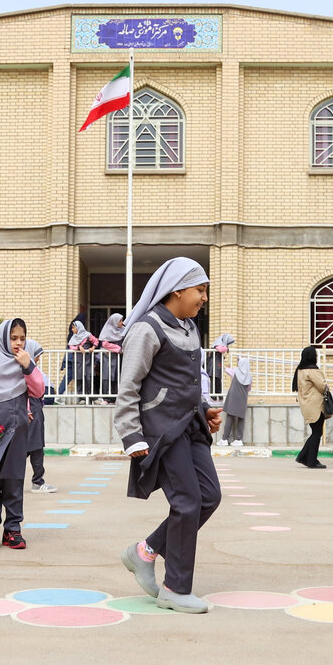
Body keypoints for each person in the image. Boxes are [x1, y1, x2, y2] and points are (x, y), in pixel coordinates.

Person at [114, 257, 223, 614]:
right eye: (200, 289)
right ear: (177, 289)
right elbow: (128, 386)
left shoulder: (189, 327)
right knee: (187, 501)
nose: (204, 297)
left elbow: (184, 381)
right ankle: (175, 588)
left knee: (208, 496)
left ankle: (144, 551)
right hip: (161, 431)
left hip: (190, 426)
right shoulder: (148, 329)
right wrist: (132, 436)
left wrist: (204, 406)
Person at [0, 319, 46, 550]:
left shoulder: (24, 363)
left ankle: (13, 530)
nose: (18, 343)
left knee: (14, 483)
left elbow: (39, 390)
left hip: (18, 434)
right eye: (14, 338)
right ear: (4, 339)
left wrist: (28, 366)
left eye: (22, 338)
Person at [24, 339, 56, 494]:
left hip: (35, 408)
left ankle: (37, 481)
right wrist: (28, 409)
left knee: (35, 447)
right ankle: (37, 482)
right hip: (31, 410)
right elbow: (25, 391)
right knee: (32, 447)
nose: (37, 359)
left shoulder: (32, 369)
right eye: (36, 355)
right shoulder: (25, 370)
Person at [294, 346, 328, 469]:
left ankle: (305, 457)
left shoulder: (300, 370)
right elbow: (322, 386)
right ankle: (310, 460)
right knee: (317, 433)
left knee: (315, 432)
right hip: (316, 406)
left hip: (306, 405)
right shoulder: (313, 371)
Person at [58, 320, 98, 402]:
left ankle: (91, 397)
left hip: (87, 361)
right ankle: (81, 398)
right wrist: (79, 347)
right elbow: (71, 347)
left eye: (74, 328)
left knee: (88, 378)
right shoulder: (73, 338)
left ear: (78, 328)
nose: (72, 330)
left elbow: (96, 341)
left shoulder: (87, 335)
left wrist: (93, 347)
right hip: (78, 361)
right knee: (79, 379)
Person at [219, 356, 252, 447]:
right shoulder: (249, 376)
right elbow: (249, 389)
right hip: (243, 398)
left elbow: (227, 370)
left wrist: (228, 367)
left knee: (230, 417)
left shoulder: (235, 371)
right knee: (241, 418)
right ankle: (238, 439)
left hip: (233, 398)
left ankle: (224, 439)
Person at [96, 313, 125, 402]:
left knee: (117, 377)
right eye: (120, 321)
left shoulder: (123, 330)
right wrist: (119, 349)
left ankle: (116, 397)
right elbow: (105, 344)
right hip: (108, 358)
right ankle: (107, 398)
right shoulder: (107, 330)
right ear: (114, 322)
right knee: (107, 377)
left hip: (117, 358)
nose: (122, 322)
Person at [205, 333, 235, 397]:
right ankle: (214, 396)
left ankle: (219, 395)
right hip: (213, 366)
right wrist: (227, 349)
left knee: (218, 381)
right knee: (214, 381)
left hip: (217, 366)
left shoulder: (220, 344)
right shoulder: (218, 343)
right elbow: (220, 349)